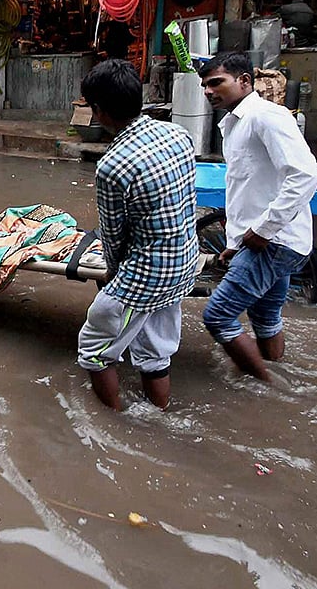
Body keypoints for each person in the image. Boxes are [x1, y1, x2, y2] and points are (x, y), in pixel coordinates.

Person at [76, 59, 199, 411]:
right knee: (155, 352)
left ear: (98, 111)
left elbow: (113, 238)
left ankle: (114, 425)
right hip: (184, 262)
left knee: (94, 351)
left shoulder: (112, 166)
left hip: (147, 276)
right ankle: (157, 417)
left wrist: (114, 276)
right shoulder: (178, 135)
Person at [198, 51, 317, 382]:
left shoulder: (267, 117)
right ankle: (274, 372)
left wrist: (264, 230)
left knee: (219, 316)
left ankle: (269, 389)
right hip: (264, 241)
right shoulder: (234, 124)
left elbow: (306, 175)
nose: (208, 91)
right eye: (204, 86)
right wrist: (237, 244)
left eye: (216, 83)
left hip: (274, 242)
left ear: (244, 81)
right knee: (265, 315)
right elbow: (251, 191)